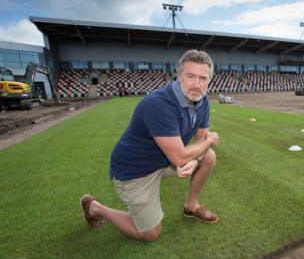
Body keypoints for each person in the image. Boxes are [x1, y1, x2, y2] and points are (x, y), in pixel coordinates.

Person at [80, 49, 220, 242]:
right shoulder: (158, 104)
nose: (197, 85)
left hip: (163, 161)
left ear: (209, 81)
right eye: (190, 76)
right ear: (178, 76)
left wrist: (196, 159)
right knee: (149, 234)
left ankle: (191, 206)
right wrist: (211, 141)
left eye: (203, 78)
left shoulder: (201, 99)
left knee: (208, 156)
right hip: (135, 170)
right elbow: (184, 155)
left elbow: (201, 138)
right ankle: (95, 207)